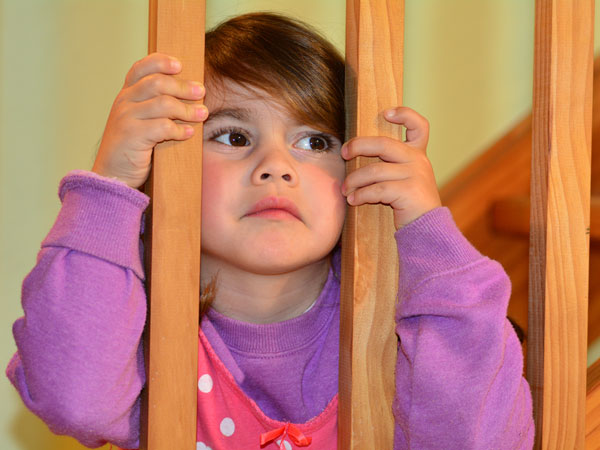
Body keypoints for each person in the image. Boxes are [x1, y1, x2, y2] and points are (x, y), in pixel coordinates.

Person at [6, 12, 533, 450]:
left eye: (315, 143)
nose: (276, 166)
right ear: (165, 166)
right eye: (234, 136)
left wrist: (424, 229)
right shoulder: (136, 329)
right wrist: (111, 183)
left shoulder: (403, 334)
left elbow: (479, 440)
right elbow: (74, 401)